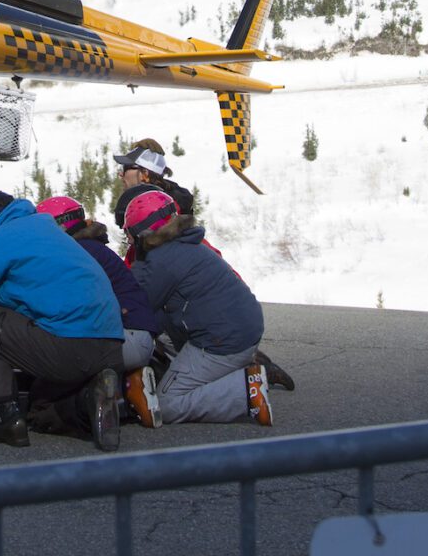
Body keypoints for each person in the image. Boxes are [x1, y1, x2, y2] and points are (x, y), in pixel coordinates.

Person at [0, 190, 126, 450]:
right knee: (39, 411)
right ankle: (88, 402)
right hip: (111, 348)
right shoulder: (51, 230)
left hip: (69, 346)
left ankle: (0, 415)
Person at [124, 189, 274, 426]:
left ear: (143, 232)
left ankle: (244, 393)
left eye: (129, 233)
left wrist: (140, 257)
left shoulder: (161, 260)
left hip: (221, 342)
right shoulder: (188, 244)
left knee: (165, 404)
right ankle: (238, 374)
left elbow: (137, 304)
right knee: (163, 331)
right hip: (241, 331)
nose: (129, 240)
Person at [36, 194, 166, 427]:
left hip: (126, 339)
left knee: (58, 369)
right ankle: (130, 389)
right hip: (137, 337)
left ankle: (116, 400)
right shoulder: (90, 248)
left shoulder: (78, 253)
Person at [113, 138, 196, 221]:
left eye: (125, 167)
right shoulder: (172, 203)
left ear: (144, 173)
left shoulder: (152, 212)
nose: (121, 174)